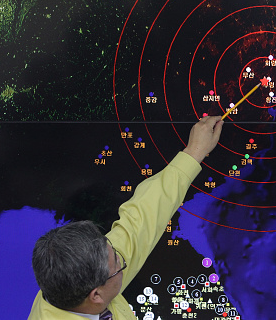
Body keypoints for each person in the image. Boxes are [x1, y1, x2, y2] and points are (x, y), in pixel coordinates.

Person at [28, 116, 224, 320]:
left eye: (113, 249)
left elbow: (139, 222)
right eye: (119, 263)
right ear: (96, 295)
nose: (124, 256)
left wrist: (193, 153)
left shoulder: (65, 286)